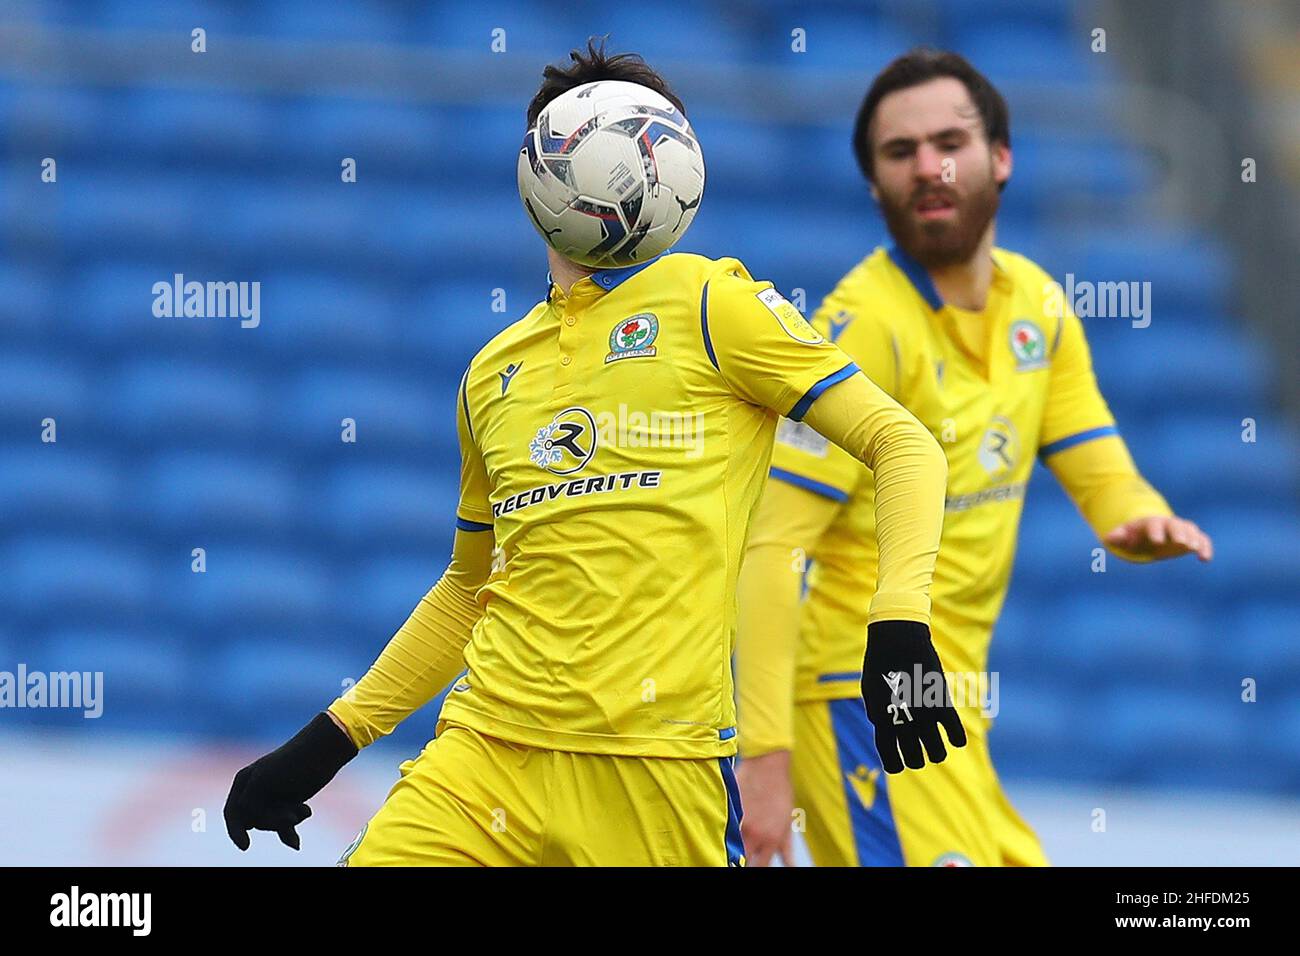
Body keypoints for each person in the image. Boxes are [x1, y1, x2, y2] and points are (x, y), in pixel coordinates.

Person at [223, 41, 956, 867]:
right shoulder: (495, 371)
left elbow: (902, 444)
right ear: (540, 169)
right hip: (487, 753)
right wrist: (327, 741)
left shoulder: (717, 305)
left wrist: (899, 624)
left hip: (659, 772)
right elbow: (470, 590)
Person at [735, 48, 1214, 868]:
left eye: (948, 142)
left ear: (1000, 157)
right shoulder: (861, 331)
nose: (928, 166)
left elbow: (1094, 456)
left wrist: (1133, 515)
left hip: (951, 695)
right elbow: (773, 548)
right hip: (861, 691)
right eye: (899, 153)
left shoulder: (1038, 305)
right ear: (875, 184)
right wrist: (764, 759)